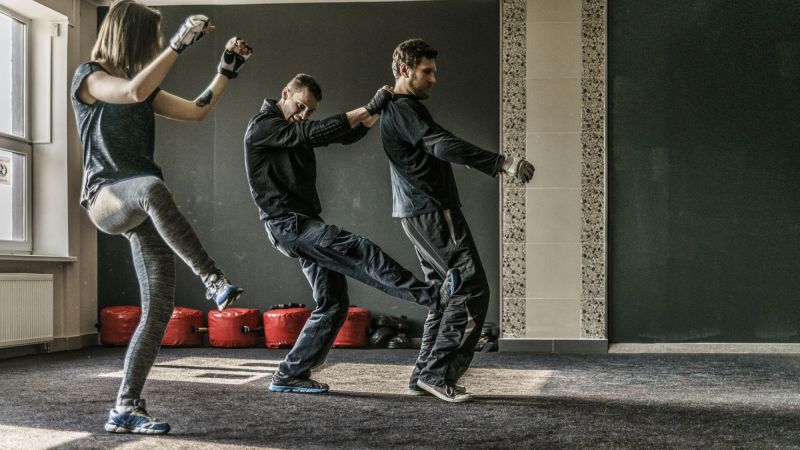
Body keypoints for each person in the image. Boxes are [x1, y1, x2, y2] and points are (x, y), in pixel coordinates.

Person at [70, 0, 252, 434]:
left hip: (141, 206)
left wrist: (226, 71)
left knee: (159, 308)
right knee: (152, 187)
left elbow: (197, 110)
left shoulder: (144, 86)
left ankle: (125, 407)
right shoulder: (89, 76)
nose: (154, 45)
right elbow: (131, 92)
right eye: (150, 38)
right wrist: (178, 44)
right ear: (131, 36)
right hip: (106, 198)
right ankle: (212, 279)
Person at [243, 74, 457, 394]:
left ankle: (290, 374)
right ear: (285, 93)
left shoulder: (290, 127)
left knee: (333, 303)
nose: (304, 114)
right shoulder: (263, 126)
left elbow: (341, 136)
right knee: (359, 249)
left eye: (310, 111)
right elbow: (314, 132)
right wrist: (368, 107)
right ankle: (432, 296)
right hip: (289, 225)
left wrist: (374, 114)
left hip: (302, 223)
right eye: (300, 106)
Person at [380, 38, 535, 403]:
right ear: (404, 70)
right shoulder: (403, 109)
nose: (434, 79)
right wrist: (502, 163)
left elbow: (438, 144)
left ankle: (423, 375)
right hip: (434, 211)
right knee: (472, 288)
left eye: (434, 71)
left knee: (443, 293)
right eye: (427, 71)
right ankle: (437, 374)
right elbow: (441, 144)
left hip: (417, 211)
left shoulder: (401, 108)